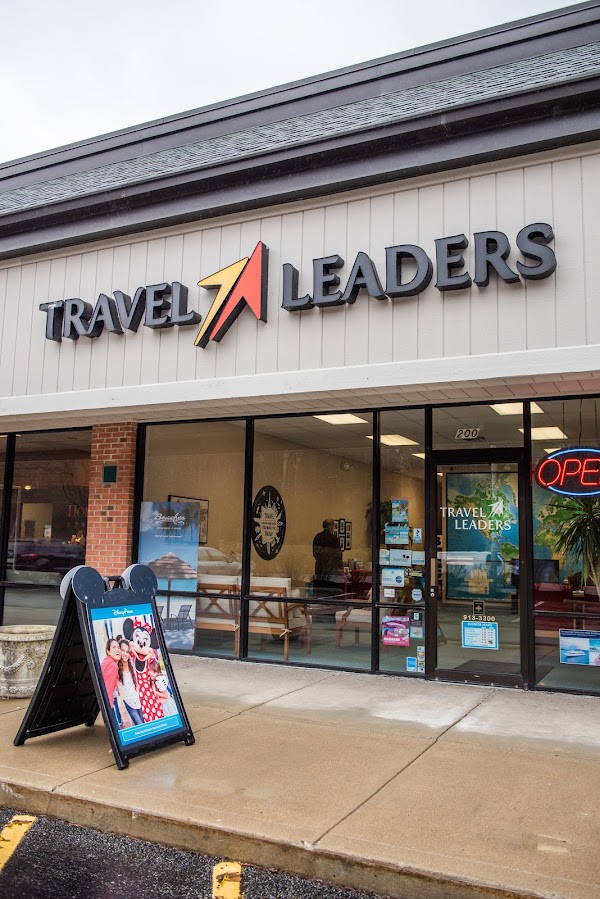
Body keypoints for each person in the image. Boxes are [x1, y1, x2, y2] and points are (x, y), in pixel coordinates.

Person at [117, 638, 144, 727]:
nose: (125, 654)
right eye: (123, 650)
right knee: (140, 724)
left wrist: (128, 642)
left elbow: (135, 646)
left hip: (137, 699)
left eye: (127, 651)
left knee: (143, 723)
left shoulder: (131, 662)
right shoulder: (116, 667)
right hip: (128, 701)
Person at [312, 518, 343, 593]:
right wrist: (340, 568)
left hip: (319, 569)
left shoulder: (317, 537)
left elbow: (314, 553)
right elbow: (338, 555)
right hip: (331, 571)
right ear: (331, 527)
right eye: (334, 526)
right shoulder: (334, 539)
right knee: (331, 593)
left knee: (320, 592)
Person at [100, 638, 121, 725]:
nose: (117, 650)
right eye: (114, 647)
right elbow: (108, 689)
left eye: (118, 647)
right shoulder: (112, 665)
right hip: (108, 705)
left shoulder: (107, 662)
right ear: (108, 651)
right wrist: (109, 709)